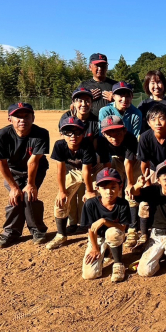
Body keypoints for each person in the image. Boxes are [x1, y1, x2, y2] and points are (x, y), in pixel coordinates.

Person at [0, 103, 49, 248]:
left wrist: (31, 184)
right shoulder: (1, 135)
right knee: (15, 196)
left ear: (33, 118)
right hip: (13, 171)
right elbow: (2, 163)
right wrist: (13, 187)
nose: (22, 120)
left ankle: (38, 231)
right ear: (10, 119)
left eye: (26, 116)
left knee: (29, 196)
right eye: (18, 116)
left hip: (36, 169)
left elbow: (33, 161)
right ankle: (11, 232)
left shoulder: (41, 133)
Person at [46, 117, 99, 250]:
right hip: (74, 171)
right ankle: (61, 234)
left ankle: (96, 233)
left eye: (77, 132)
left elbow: (86, 171)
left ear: (83, 133)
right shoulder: (59, 145)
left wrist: (89, 190)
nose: (73, 136)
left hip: (92, 169)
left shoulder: (87, 145)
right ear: (61, 133)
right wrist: (62, 191)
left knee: (97, 197)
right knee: (61, 200)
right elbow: (60, 169)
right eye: (68, 132)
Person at [129, 161, 166, 276]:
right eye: (165, 179)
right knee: (144, 272)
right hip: (156, 235)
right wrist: (137, 185)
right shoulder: (153, 191)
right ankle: (156, 257)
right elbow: (134, 194)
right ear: (158, 180)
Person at [58, 87, 99, 234]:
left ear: (92, 103)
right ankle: (72, 222)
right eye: (79, 100)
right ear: (73, 103)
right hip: (70, 162)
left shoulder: (94, 121)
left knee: (83, 192)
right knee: (71, 193)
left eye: (87, 100)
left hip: (86, 162)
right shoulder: (66, 117)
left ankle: (83, 222)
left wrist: (89, 161)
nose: (83, 104)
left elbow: (94, 144)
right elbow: (64, 140)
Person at [98, 115, 143, 247]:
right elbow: (106, 162)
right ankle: (117, 222)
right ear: (103, 134)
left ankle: (133, 228)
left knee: (131, 193)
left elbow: (128, 162)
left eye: (118, 133)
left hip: (133, 162)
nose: (114, 137)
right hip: (116, 160)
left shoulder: (130, 138)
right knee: (115, 192)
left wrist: (129, 184)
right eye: (109, 134)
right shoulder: (101, 141)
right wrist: (109, 182)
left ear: (124, 130)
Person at [81, 168, 130, 282]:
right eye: (104, 188)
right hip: (96, 238)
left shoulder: (123, 204)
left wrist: (104, 221)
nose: (109, 192)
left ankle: (118, 263)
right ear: (97, 189)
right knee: (89, 275)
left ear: (120, 187)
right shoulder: (90, 204)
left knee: (112, 233)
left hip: (115, 235)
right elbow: (91, 230)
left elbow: (122, 228)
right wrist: (94, 248)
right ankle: (106, 251)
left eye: (113, 187)